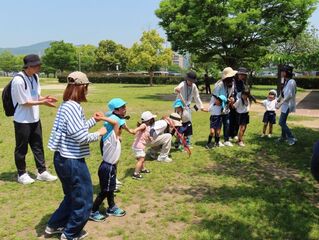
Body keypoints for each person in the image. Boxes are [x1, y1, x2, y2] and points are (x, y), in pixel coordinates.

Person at [45, 71, 106, 240]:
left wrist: (93, 121)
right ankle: (70, 233)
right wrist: (99, 133)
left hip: (62, 158)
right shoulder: (73, 107)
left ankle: (54, 225)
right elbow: (80, 137)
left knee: (72, 196)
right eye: (86, 87)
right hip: (72, 161)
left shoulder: (66, 105)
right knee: (84, 199)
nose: (87, 90)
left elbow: (75, 130)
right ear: (81, 87)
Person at [11, 54, 58, 184]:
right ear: (29, 66)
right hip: (22, 120)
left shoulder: (35, 77)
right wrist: (43, 103)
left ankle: (42, 172)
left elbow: (35, 96)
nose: (39, 68)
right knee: (22, 148)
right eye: (37, 65)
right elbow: (24, 102)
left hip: (34, 118)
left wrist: (45, 98)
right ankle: (21, 174)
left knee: (38, 146)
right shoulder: (18, 80)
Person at [90, 103, 127, 222]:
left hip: (109, 167)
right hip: (108, 168)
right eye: (120, 128)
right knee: (105, 191)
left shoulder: (113, 137)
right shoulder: (111, 137)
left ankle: (111, 207)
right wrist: (101, 118)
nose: (121, 129)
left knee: (110, 189)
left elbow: (116, 125)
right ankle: (93, 210)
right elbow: (115, 123)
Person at [98, 98, 134, 191]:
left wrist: (130, 131)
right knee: (110, 163)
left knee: (114, 162)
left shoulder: (120, 117)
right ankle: (110, 184)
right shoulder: (113, 118)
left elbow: (122, 125)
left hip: (114, 142)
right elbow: (113, 125)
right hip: (108, 143)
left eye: (124, 106)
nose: (125, 109)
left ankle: (113, 179)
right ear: (115, 110)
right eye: (122, 107)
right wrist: (117, 137)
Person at [174, 71, 204, 147]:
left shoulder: (194, 86)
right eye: (190, 80)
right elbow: (177, 88)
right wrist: (177, 89)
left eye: (192, 81)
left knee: (188, 124)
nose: (191, 82)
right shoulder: (183, 83)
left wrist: (201, 106)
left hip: (187, 107)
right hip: (179, 106)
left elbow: (197, 97)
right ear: (187, 79)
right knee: (178, 124)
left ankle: (187, 141)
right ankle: (177, 141)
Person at [213, 67, 237, 147]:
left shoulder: (232, 84)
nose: (232, 79)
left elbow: (232, 94)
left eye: (232, 77)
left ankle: (226, 140)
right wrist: (226, 100)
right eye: (230, 78)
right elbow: (216, 101)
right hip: (217, 108)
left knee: (227, 123)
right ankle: (217, 141)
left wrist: (232, 98)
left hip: (226, 108)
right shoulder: (218, 85)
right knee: (218, 125)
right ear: (226, 78)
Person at [131, 111, 156, 180]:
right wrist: (135, 130)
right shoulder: (144, 125)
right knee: (141, 160)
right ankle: (135, 174)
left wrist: (150, 138)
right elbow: (140, 127)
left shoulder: (147, 126)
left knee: (141, 159)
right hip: (138, 146)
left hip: (138, 146)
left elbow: (146, 134)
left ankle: (142, 169)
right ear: (150, 120)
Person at [276, 65, 297, 146]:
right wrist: (278, 98)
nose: (281, 73)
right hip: (285, 104)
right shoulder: (286, 80)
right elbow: (283, 92)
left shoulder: (291, 82)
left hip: (288, 104)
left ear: (286, 72)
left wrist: (280, 104)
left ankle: (291, 138)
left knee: (281, 122)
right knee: (283, 121)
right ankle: (283, 137)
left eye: (282, 71)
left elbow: (289, 95)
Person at [229, 67, 248, 141]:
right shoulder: (233, 81)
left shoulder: (242, 82)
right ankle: (230, 134)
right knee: (231, 119)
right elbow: (230, 91)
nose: (242, 76)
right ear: (238, 74)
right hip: (233, 102)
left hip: (239, 103)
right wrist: (231, 99)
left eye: (243, 75)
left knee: (237, 119)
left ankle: (235, 134)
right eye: (241, 74)